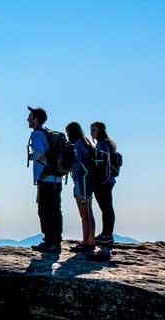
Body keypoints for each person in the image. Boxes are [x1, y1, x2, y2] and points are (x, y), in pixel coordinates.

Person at [27, 107, 62, 253]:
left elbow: (40, 152)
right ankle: (56, 239)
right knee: (55, 209)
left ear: (36, 119)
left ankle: (49, 241)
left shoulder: (36, 134)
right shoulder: (47, 133)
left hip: (45, 177)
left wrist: (31, 157)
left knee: (44, 210)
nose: (27, 119)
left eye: (30, 116)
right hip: (56, 177)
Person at [66, 122, 95, 252]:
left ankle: (85, 242)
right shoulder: (87, 143)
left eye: (67, 133)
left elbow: (76, 163)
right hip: (89, 181)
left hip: (80, 180)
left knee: (84, 214)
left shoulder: (77, 145)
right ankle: (91, 240)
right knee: (89, 212)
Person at [90, 121, 117, 245]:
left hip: (103, 181)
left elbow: (102, 162)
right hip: (108, 180)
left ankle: (107, 235)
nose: (92, 132)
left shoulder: (102, 144)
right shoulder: (108, 144)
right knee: (107, 208)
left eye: (94, 129)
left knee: (106, 208)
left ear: (100, 130)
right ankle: (106, 234)